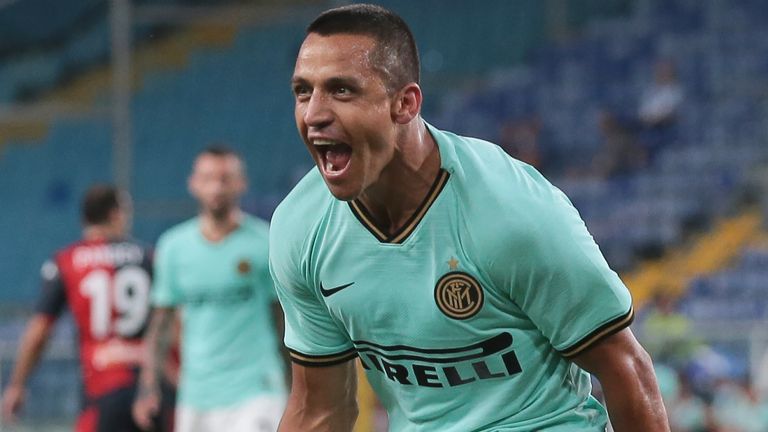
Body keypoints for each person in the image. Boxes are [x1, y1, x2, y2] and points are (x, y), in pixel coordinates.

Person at [270, 4, 669, 431]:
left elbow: (627, 368)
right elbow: (320, 410)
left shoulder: (511, 211)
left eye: (341, 90)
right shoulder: (302, 227)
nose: (314, 114)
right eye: (303, 92)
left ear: (405, 103)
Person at [133, 147, 287, 432]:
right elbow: (161, 324)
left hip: (257, 391)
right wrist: (147, 388)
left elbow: (283, 321)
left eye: (225, 178)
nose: (216, 186)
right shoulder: (173, 247)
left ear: (242, 183)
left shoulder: (265, 242)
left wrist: (295, 388)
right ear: (193, 184)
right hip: (196, 396)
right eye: (208, 178)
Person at [0, 185, 175, 432]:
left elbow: (39, 331)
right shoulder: (150, 257)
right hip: (152, 389)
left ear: (84, 218)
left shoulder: (66, 261)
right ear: (116, 214)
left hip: (101, 389)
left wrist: (17, 384)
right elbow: (173, 319)